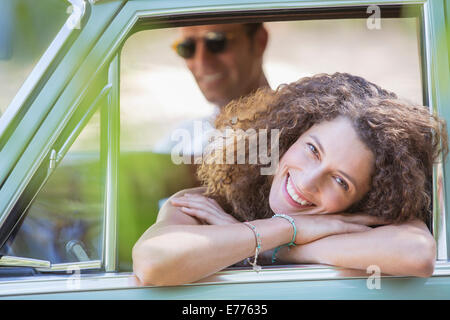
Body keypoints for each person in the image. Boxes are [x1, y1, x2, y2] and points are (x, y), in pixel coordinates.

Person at [133, 73, 448, 286]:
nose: (310, 181)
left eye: (341, 182)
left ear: (367, 197)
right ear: (288, 138)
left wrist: (278, 248)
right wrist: (284, 229)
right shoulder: (208, 203)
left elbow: (417, 255)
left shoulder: (365, 222)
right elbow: (153, 263)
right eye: (312, 150)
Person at [154, 23, 269, 155]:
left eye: (217, 43)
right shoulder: (181, 138)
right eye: (187, 47)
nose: (201, 61)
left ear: (260, 41)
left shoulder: (290, 134)